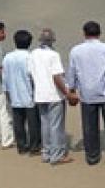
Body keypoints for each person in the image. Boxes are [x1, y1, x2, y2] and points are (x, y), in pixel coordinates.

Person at [66, 21, 105, 165]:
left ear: (84, 33)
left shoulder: (76, 50)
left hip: (87, 93)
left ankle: (92, 157)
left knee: (89, 126)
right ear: (99, 33)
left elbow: (71, 72)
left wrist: (71, 89)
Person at [29, 28, 77, 165]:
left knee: (45, 124)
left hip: (40, 94)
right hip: (54, 95)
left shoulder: (33, 54)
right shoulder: (54, 55)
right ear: (52, 41)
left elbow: (30, 74)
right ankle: (57, 155)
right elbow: (56, 76)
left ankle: (47, 152)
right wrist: (67, 93)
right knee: (56, 126)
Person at [2, 29, 40, 156]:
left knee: (18, 122)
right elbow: (33, 76)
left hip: (14, 94)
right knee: (33, 122)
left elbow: (5, 77)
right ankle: (34, 146)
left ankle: (22, 146)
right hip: (29, 95)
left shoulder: (8, 57)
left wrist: (7, 92)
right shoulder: (30, 57)